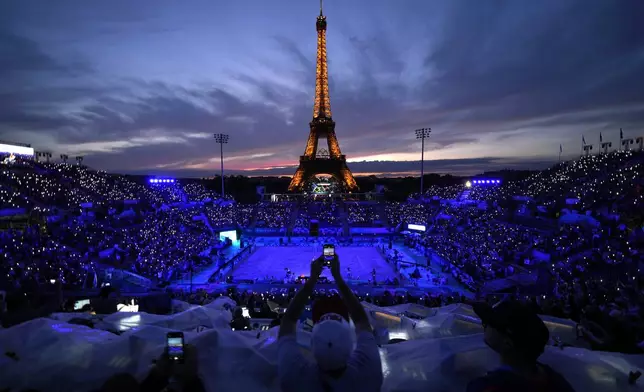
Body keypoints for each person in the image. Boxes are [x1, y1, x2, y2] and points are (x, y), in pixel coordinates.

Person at [277, 254, 383, 392]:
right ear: (351, 345)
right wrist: (338, 277)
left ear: (312, 346)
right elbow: (361, 320)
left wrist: (312, 280)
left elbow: (288, 320)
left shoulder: (293, 379)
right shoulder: (370, 375)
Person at [467, 300, 576, 392]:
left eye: (489, 323)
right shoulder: (555, 380)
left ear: (508, 342)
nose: (485, 326)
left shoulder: (486, 387)